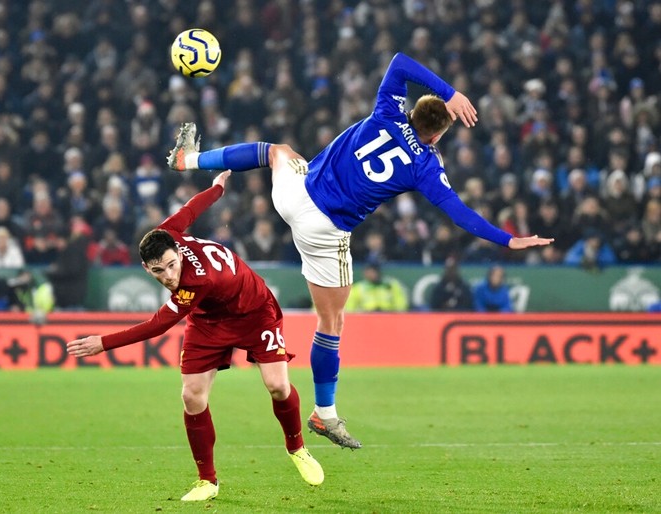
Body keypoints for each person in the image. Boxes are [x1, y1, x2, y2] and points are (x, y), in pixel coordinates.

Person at [167, 52, 554, 448]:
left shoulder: (388, 111)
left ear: (412, 111)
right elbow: (459, 214)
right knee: (330, 324)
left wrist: (449, 92)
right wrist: (508, 239)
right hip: (324, 230)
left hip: (294, 195)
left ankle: (191, 159)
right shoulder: (426, 165)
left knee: (277, 151)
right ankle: (325, 414)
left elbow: (401, 62)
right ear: (437, 135)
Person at [66, 171, 323, 502]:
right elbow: (192, 208)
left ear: (176, 251)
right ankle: (207, 480)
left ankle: (297, 448)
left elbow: (159, 325)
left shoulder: (195, 281)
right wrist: (216, 188)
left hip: (254, 312)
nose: (170, 276)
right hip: (209, 320)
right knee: (191, 396)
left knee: (277, 386)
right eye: (159, 271)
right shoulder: (166, 233)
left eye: (172, 265)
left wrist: (104, 342)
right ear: (146, 268)